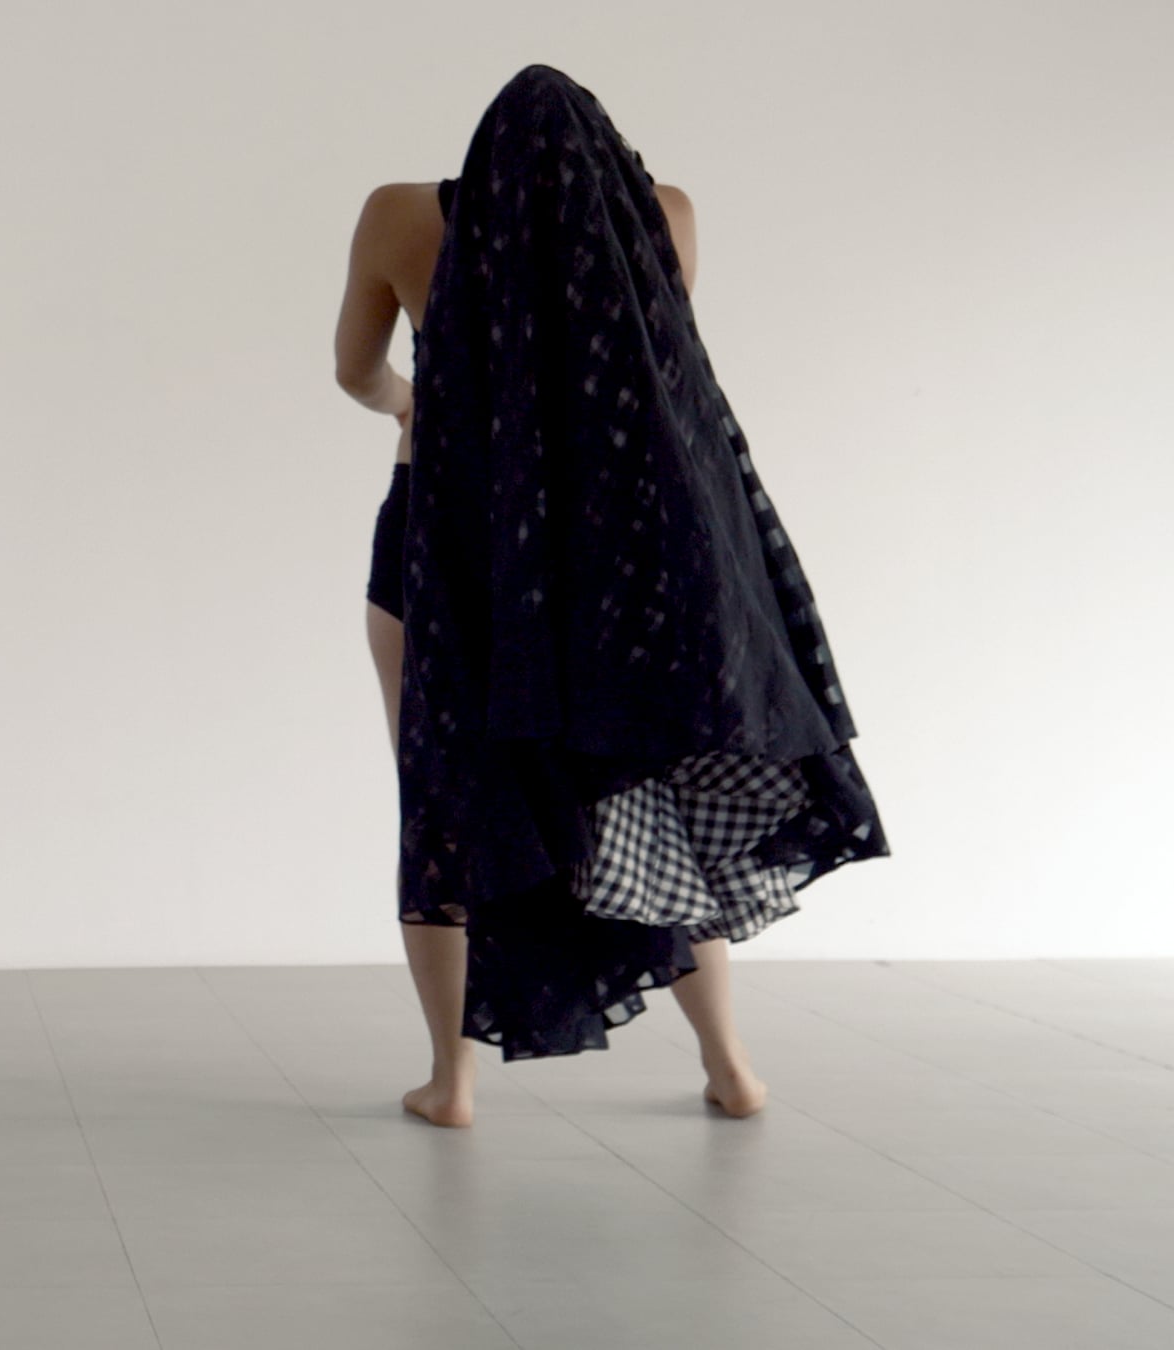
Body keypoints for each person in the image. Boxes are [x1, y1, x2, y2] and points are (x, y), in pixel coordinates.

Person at [333, 66, 885, 1126]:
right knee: (647, 798)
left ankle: (453, 1083)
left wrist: (415, 404)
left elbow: (355, 371)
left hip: (445, 543)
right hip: (613, 560)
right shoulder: (665, 213)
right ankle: (730, 1067)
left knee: (443, 801)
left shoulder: (399, 217)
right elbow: (635, 379)